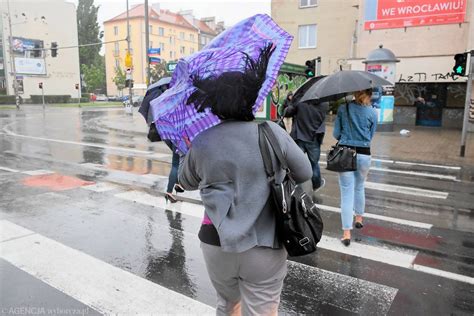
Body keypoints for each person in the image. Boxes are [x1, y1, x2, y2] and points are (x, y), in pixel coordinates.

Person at [179, 45, 312, 315]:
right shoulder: (271, 132)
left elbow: (186, 181)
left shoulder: (202, 140)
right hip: (265, 243)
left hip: (216, 242)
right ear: (252, 99)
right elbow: (306, 172)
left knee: (227, 305)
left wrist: (187, 150)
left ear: (213, 102)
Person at [333, 89, 378, 246]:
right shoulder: (372, 112)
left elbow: (336, 134)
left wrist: (347, 134)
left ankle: (346, 233)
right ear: (369, 95)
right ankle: (359, 218)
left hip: (346, 153)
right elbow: (371, 135)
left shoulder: (343, 109)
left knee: (347, 194)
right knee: (359, 187)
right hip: (365, 154)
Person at [283, 99, 329, 191]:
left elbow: (287, 113)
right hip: (314, 138)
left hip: (299, 137)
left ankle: (295, 185)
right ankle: (316, 184)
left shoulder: (300, 102)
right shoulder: (324, 103)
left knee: (295, 163)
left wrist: (292, 103)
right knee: (314, 164)